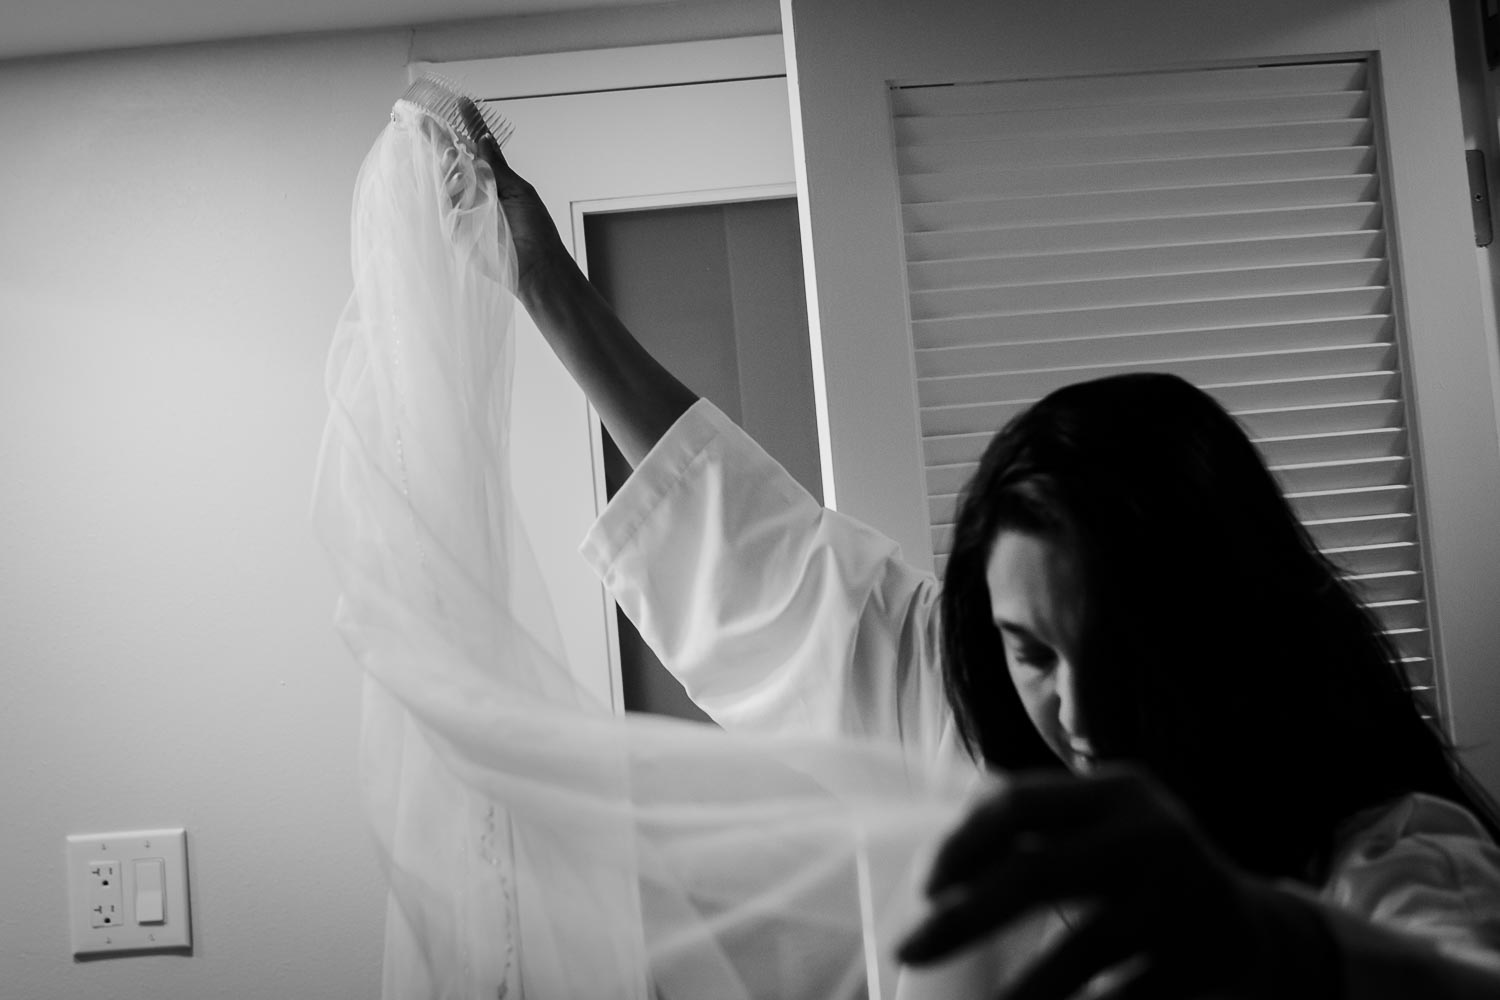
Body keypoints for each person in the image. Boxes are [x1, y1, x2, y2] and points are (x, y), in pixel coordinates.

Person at [459, 102, 1500, 998]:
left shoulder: (1393, 851)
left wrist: (1280, 944)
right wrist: (542, 279)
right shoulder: (943, 704)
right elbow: (738, 534)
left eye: (1122, 644)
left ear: (1227, 616)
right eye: (1033, 650)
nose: (1079, 714)